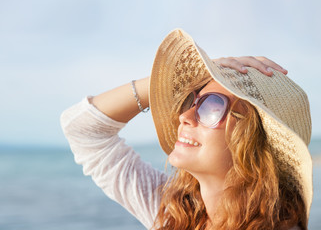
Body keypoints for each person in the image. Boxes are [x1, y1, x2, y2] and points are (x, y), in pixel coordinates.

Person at [60, 29, 312, 230]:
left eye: (211, 105)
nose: (184, 116)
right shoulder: (175, 212)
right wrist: (165, 82)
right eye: (190, 101)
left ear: (255, 139)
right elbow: (81, 128)